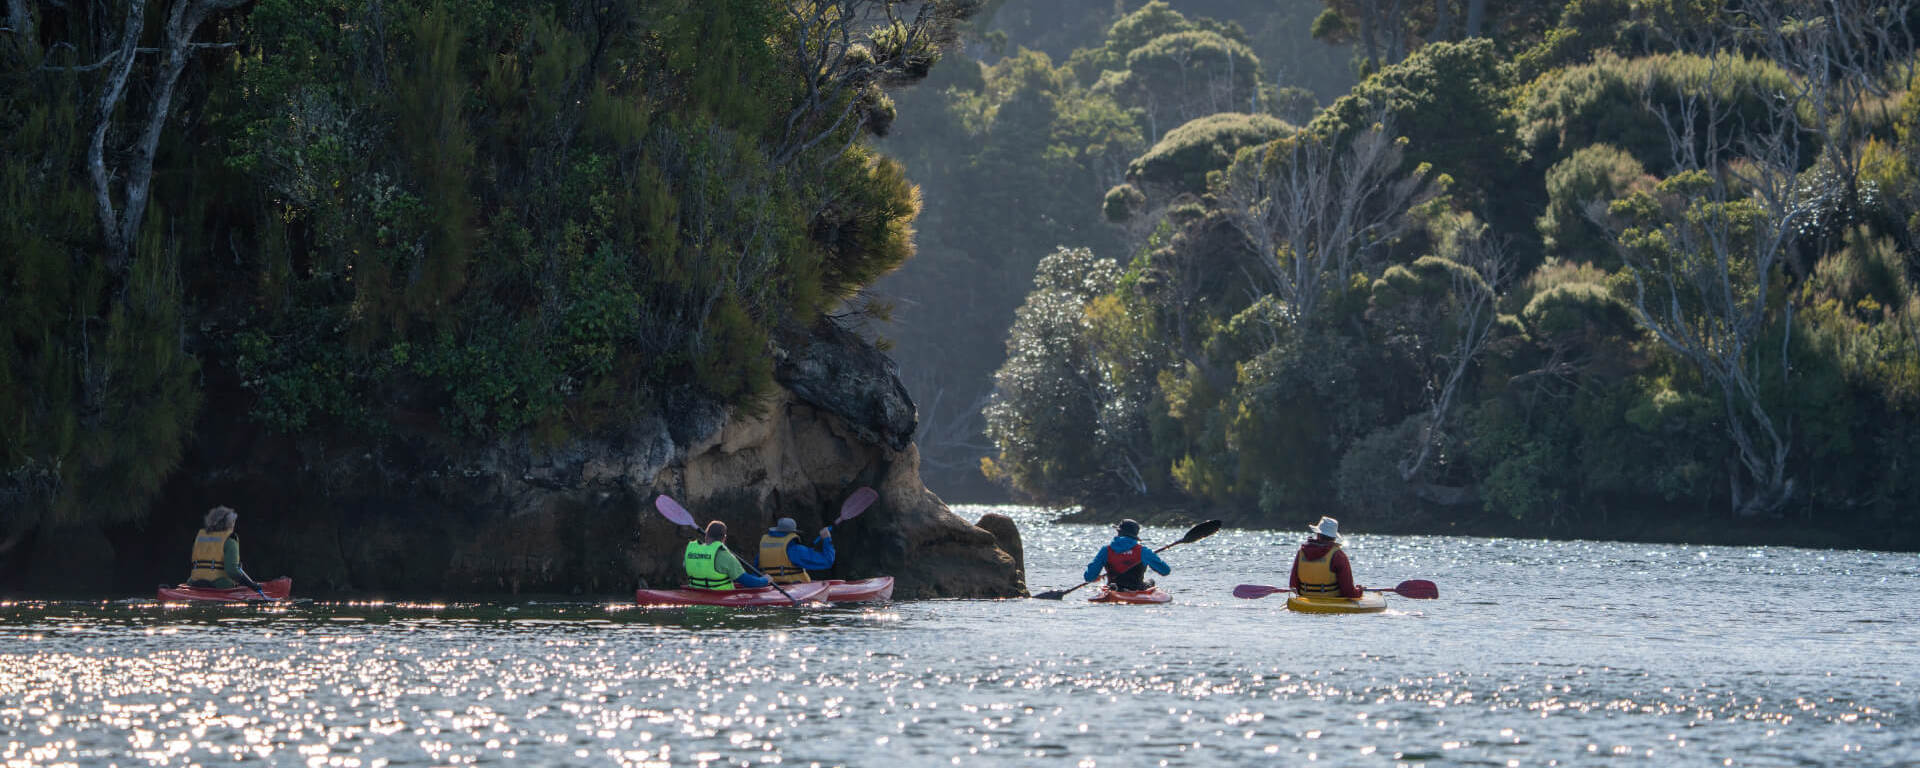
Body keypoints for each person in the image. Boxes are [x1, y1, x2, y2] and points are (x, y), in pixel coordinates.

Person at [186, 506, 264, 590]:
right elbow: (232, 571)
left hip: (193, 583)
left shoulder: (201, 538)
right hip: (219, 584)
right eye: (233, 521)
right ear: (228, 523)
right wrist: (251, 585)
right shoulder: (230, 541)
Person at [1082, 519, 1170, 591]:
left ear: (1118, 532)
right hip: (1136, 589)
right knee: (1151, 581)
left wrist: (1095, 577)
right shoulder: (1143, 551)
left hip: (1114, 588)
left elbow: (1089, 577)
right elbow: (1165, 571)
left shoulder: (1106, 550)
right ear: (1135, 535)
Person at [1290, 516, 1364, 599]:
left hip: (1304, 601)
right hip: (1331, 603)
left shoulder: (1301, 552)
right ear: (1334, 537)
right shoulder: (1338, 555)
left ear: (1318, 534)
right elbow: (1349, 593)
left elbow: (1293, 585)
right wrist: (1359, 591)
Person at [684, 521, 770, 590]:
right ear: (724, 538)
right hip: (720, 599)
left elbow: (687, 565)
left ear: (706, 536)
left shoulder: (691, 551)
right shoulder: (725, 556)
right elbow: (747, 582)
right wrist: (765, 580)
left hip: (696, 594)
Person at [758, 517, 835, 584]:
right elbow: (827, 561)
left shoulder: (764, 548)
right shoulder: (796, 550)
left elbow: (757, 569)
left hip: (770, 587)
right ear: (793, 532)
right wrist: (827, 539)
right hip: (793, 589)